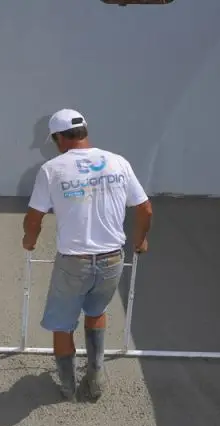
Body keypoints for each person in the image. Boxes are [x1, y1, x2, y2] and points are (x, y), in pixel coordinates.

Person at [22, 108, 153, 401]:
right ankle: (96, 377)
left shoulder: (53, 169)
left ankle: (68, 387)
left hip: (74, 263)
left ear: (58, 137)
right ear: (84, 132)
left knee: (61, 324)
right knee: (96, 313)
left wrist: (29, 240)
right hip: (112, 260)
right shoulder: (118, 162)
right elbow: (145, 208)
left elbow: (34, 218)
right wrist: (140, 240)